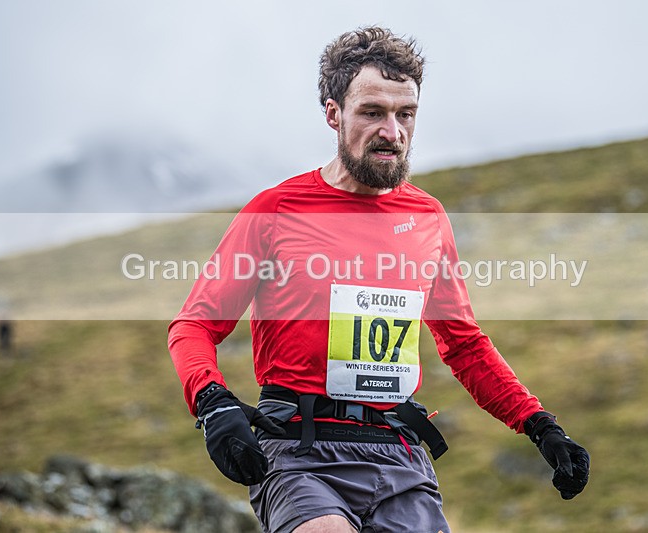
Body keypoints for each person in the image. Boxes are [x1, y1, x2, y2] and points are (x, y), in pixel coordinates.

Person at [168, 26, 589, 533]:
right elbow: (193, 325)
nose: (392, 131)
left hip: (398, 453)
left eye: (405, 114)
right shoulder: (276, 211)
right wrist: (212, 403)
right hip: (298, 449)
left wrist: (540, 426)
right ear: (333, 113)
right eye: (372, 112)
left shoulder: (428, 218)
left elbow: (464, 345)